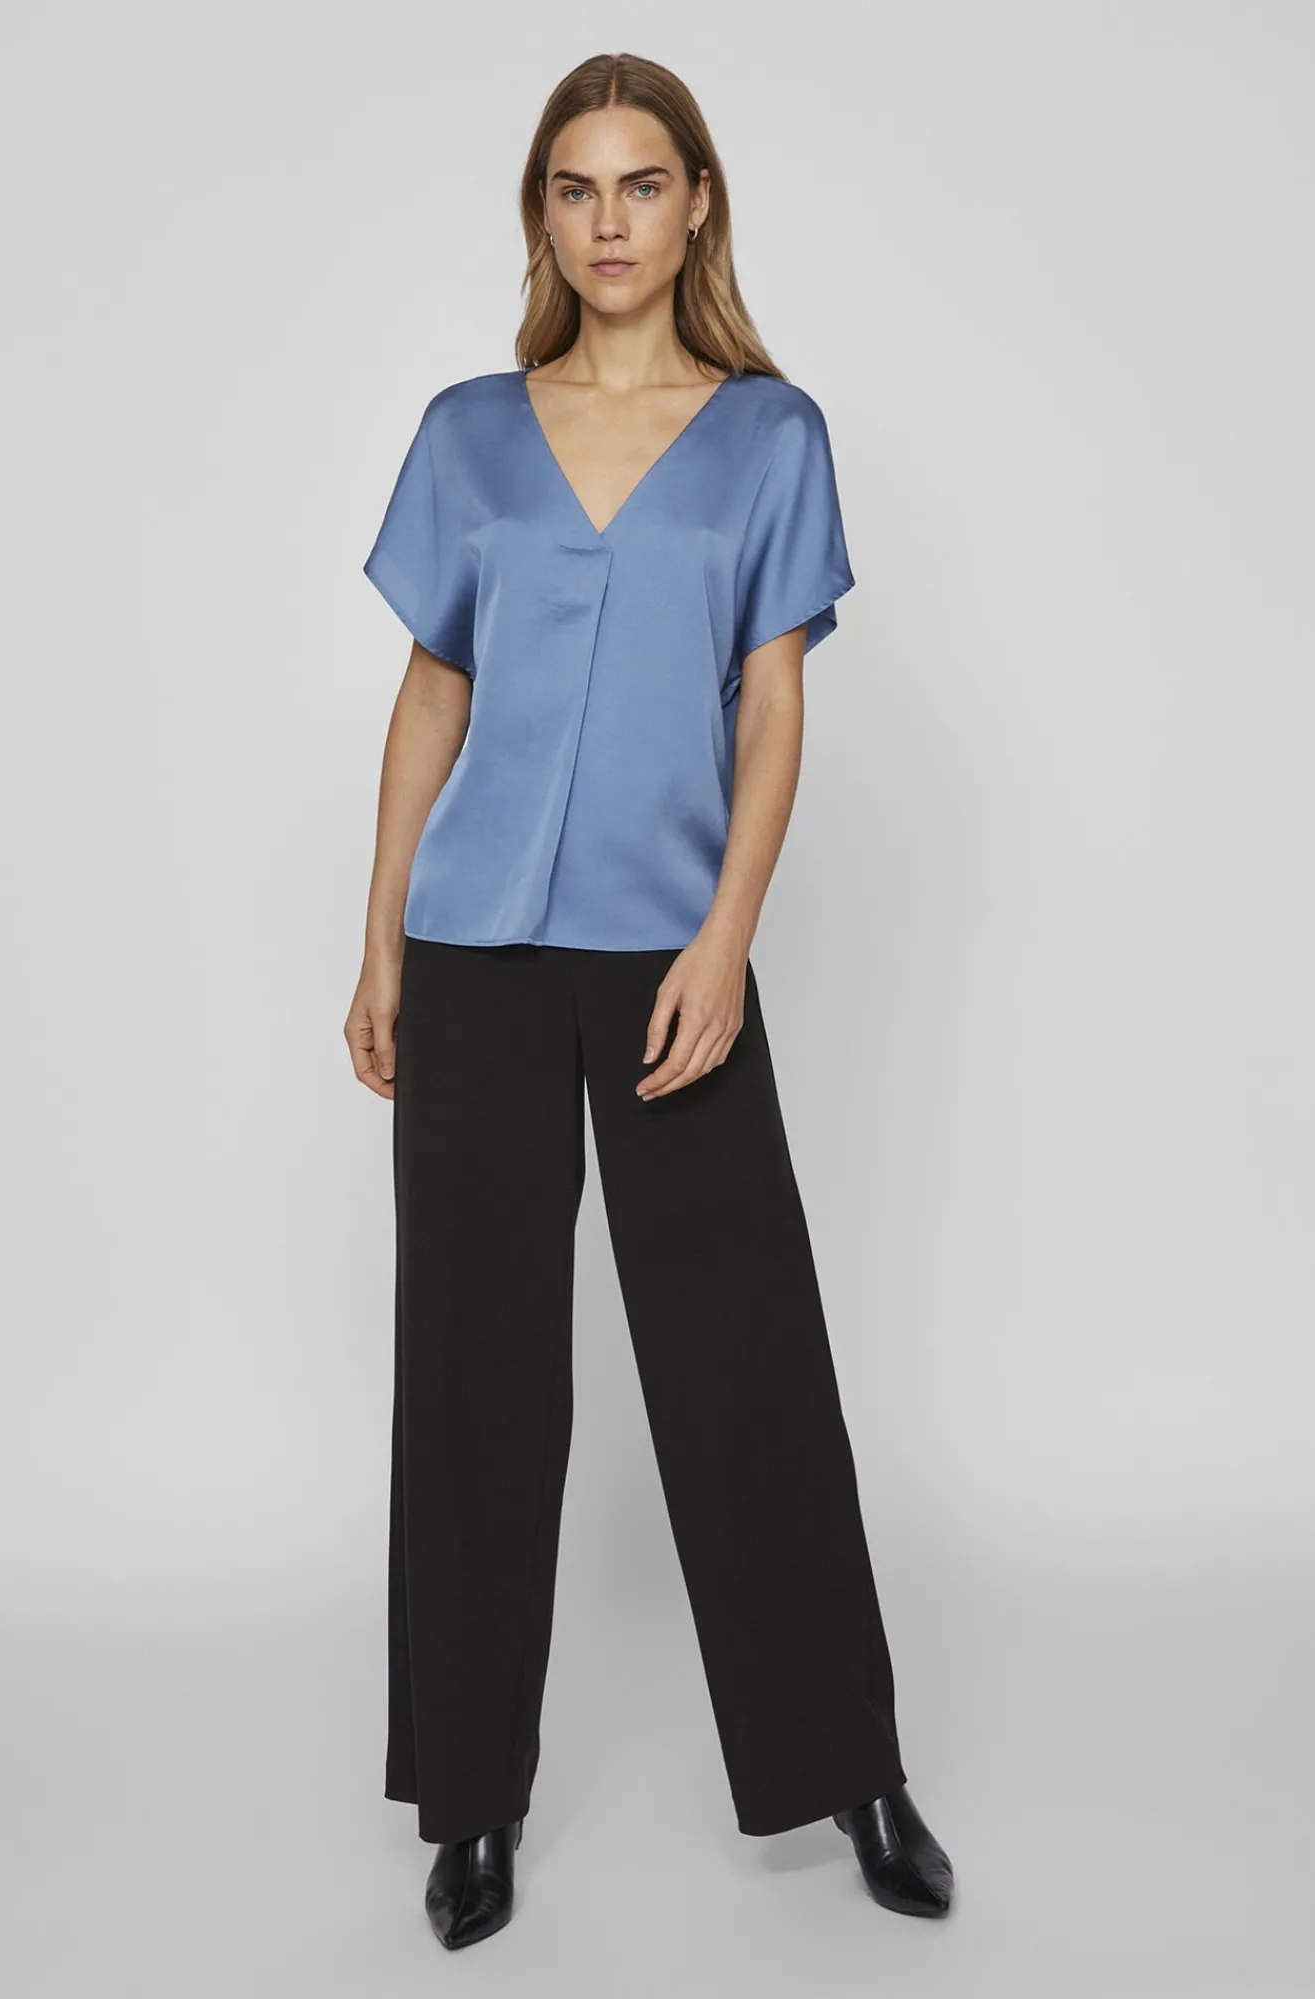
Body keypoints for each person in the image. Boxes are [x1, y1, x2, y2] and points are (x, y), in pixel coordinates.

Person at [346, 50, 955, 1953]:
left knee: (744, 1354)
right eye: (573, 187)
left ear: (696, 205)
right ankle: (471, 1798)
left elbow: (773, 703)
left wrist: (726, 935)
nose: (607, 221)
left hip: (669, 951)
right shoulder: (467, 433)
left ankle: (853, 1768)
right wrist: (380, 940)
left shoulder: (770, 438)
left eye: (640, 184)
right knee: (474, 1370)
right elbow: (432, 690)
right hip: (474, 949)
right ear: (541, 216)